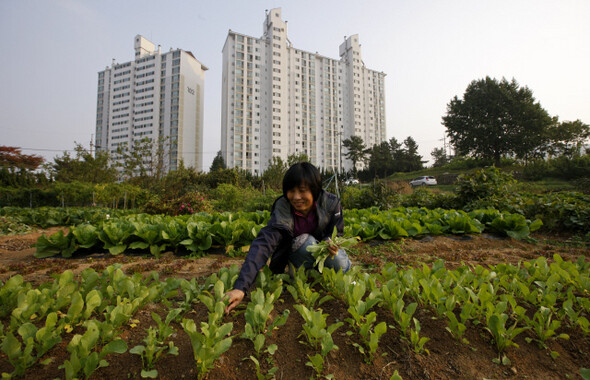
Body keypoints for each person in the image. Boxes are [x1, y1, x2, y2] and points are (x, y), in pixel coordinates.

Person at [224, 162, 351, 313]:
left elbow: (336, 233)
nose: (296, 197)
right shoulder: (283, 207)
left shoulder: (331, 203)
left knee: (339, 262)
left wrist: (328, 242)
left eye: (302, 191)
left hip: (324, 255)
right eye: (291, 191)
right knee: (306, 241)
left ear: (315, 190)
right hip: (298, 254)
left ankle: (319, 273)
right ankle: (303, 276)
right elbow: (264, 244)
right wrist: (240, 288)